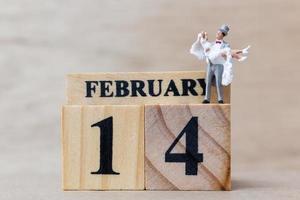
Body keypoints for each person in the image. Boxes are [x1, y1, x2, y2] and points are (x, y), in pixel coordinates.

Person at [190, 25, 250, 104]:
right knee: (207, 81)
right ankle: (206, 98)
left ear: (222, 35)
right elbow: (206, 50)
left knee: (219, 82)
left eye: (219, 33)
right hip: (210, 65)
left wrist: (240, 51)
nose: (217, 34)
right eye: (217, 32)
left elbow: (230, 52)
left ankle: (220, 98)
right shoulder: (211, 44)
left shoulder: (226, 45)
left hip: (218, 65)